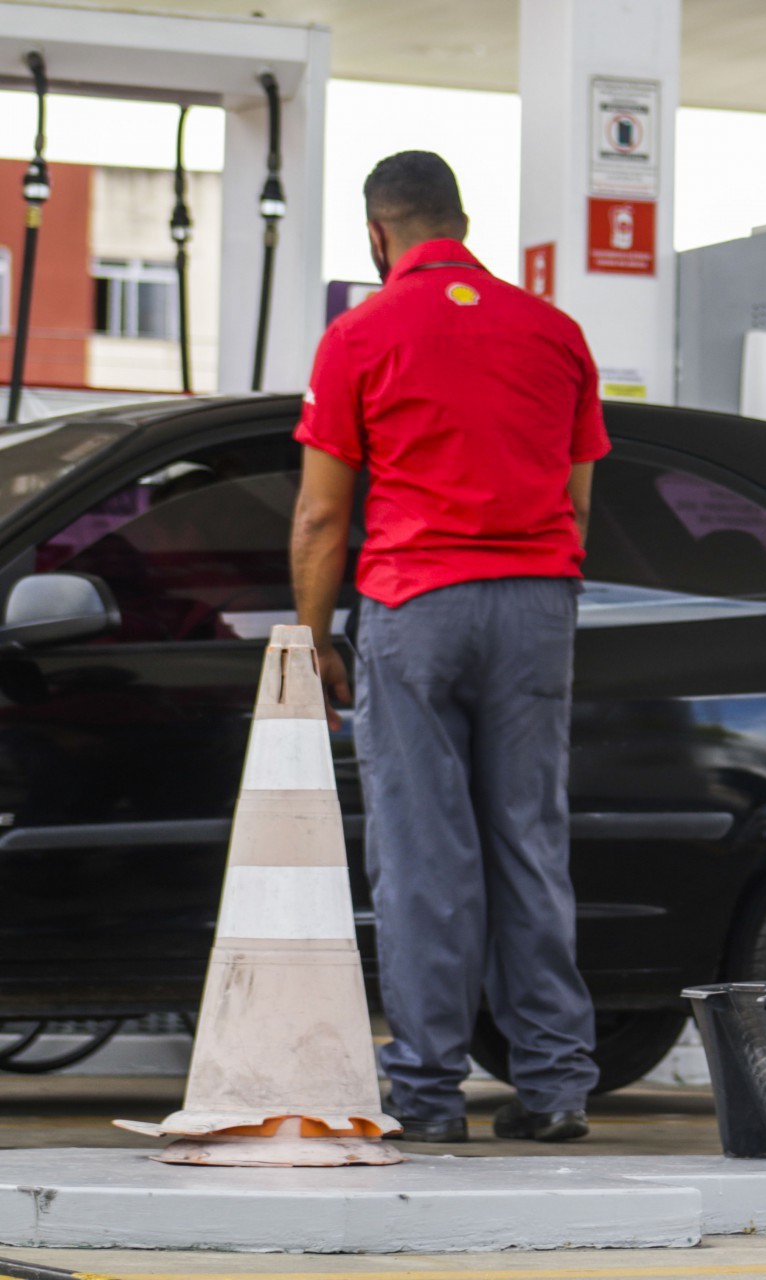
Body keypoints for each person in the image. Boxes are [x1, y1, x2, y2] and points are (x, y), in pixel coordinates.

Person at [289, 150, 606, 1144]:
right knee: (529, 839)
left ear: (378, 235)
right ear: (462, 224)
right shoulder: (555, 332)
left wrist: (315, 639)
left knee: (425, 853)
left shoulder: (360, 334)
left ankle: (428, 1093)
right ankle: (554, 1086)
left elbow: (319, 518)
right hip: (536, 606)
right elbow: (580, 498)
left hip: (416, 603)